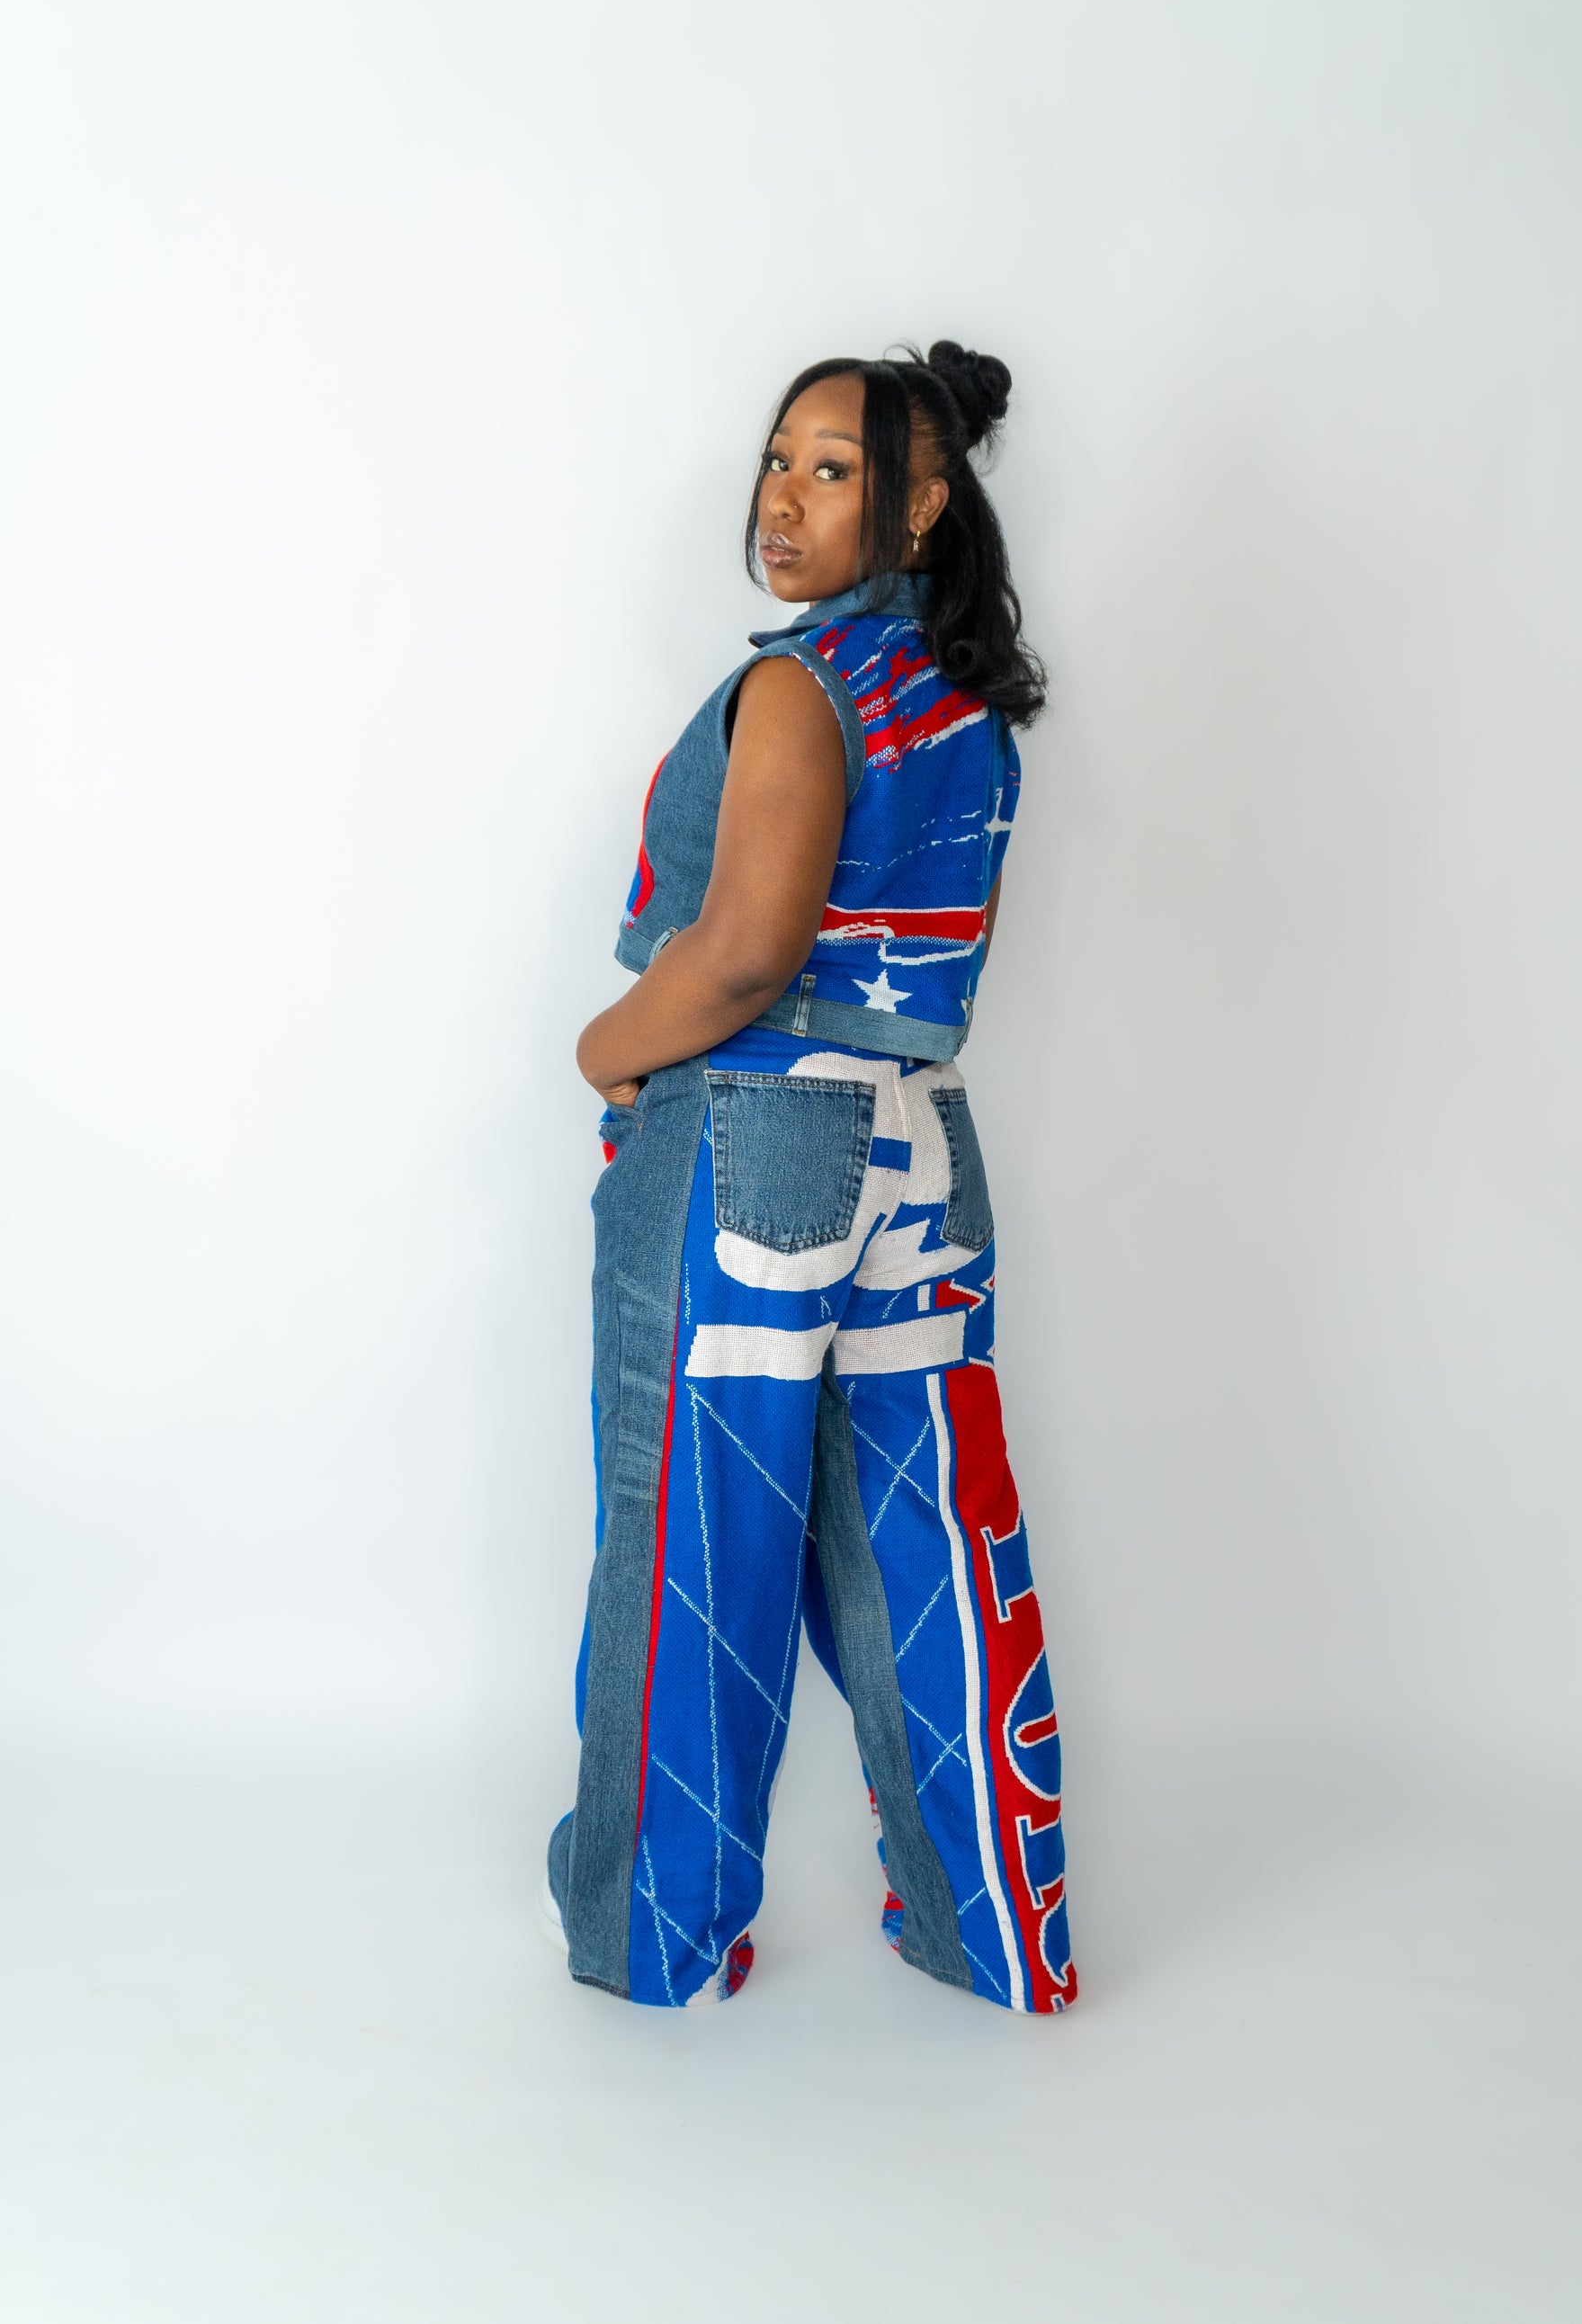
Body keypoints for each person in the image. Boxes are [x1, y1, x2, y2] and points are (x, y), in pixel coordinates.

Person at [542, 342, 1077, 2013]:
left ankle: (658, 1939)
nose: (783, 497)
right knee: (929, 1543)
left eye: (833, 469)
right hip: (921, 1150)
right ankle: (1000, 1937)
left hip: (750, 1147)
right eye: (779, 459)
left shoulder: (802, 688)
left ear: (922, 505)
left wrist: (605, 1047)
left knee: (694, 1546)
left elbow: (746, 951)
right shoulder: (966, 707)